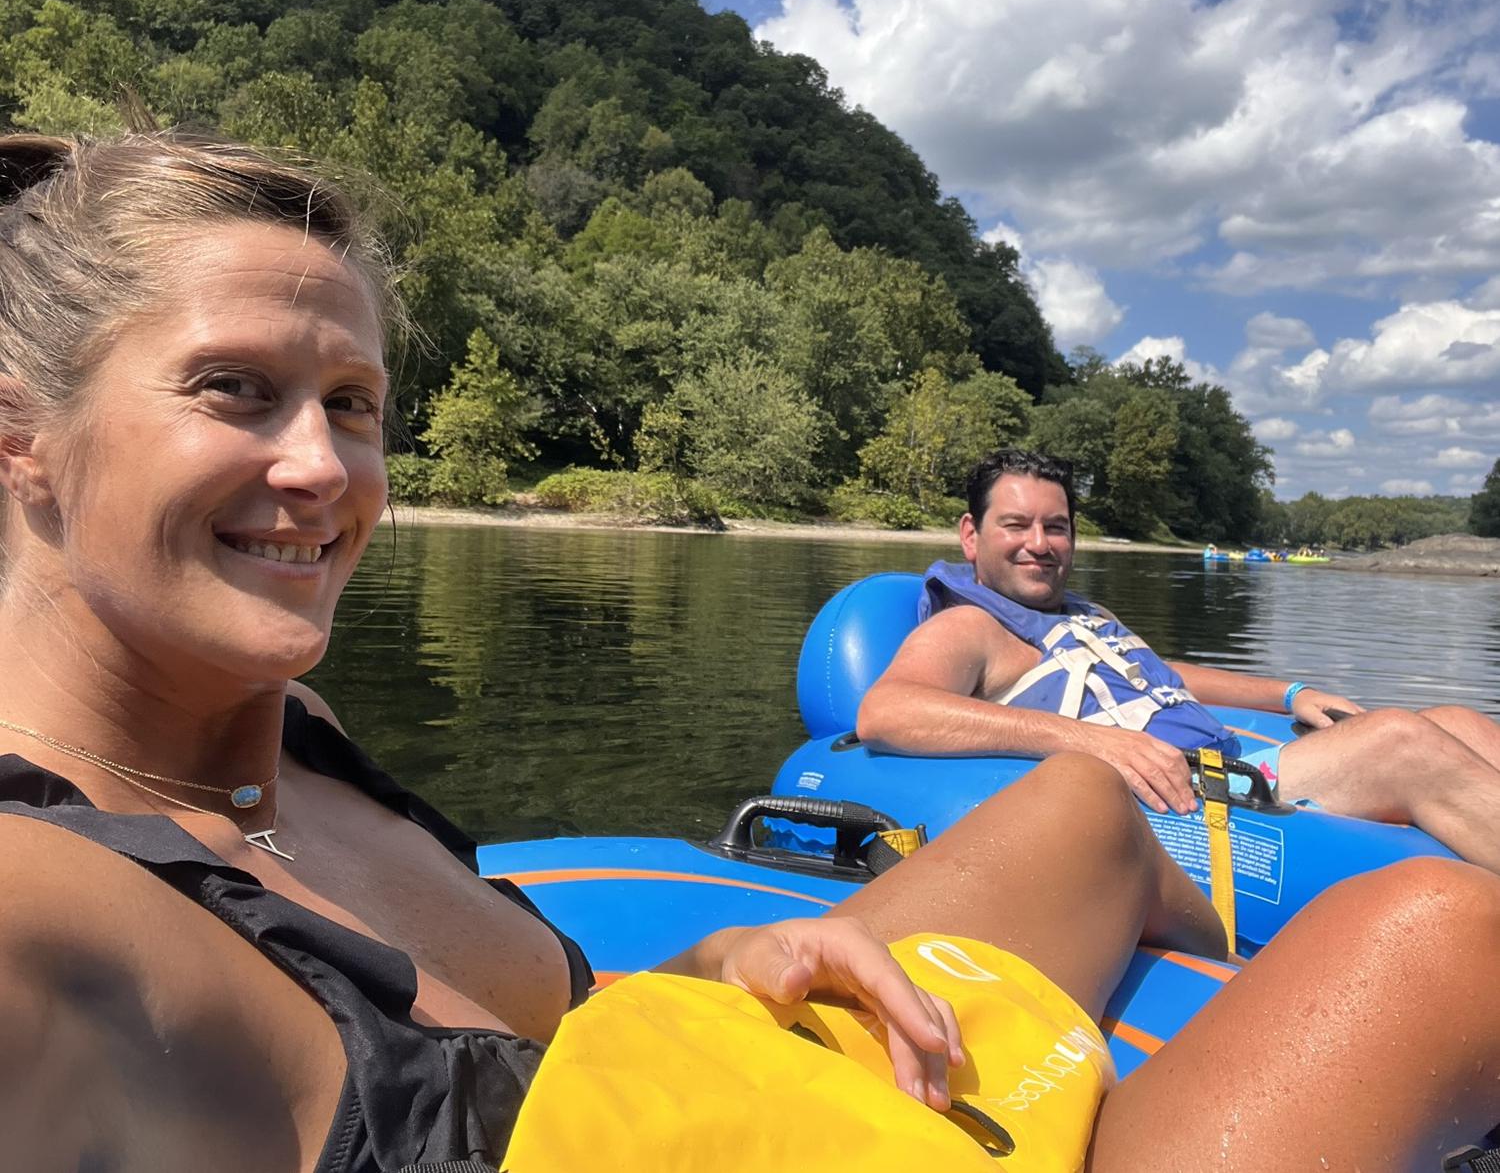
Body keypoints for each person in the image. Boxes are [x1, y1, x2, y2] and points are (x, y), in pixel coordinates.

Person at [2, 130, 1499, 1172]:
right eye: (234, 389)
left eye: (353, 402)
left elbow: (568, 1018)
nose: (323, 467)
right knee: (1443, 939)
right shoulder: (38, 904)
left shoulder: (289, 728)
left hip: (730, 1072)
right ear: (27, 441)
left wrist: (727, 948)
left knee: (1093, 816)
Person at [858, 447, 1500, 871]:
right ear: (971, 536)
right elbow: (888, 712)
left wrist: (1289, 693)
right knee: (1399, 741)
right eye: (1016, 525)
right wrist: (1087, 743)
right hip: (1185, 804)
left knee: (1460, 721)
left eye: (1056, 527)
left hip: (1237, 769)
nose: (1039, 544)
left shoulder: (1083, 616)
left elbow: (1165, 678)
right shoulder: (968, 626)